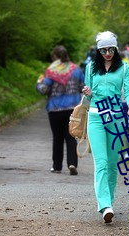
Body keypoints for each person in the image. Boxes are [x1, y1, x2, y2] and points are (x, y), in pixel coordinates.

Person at [82, 31, 129, 223]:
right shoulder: (90, 68)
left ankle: (110, 201)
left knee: (113, 164)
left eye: (111, 49)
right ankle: (104, 205)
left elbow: (128, 90)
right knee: (101, 162)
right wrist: (87, 92)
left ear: (116, 48)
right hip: (96, 117)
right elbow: (88, 97)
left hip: (116, 119)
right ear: (98, 50)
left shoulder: (124, 68)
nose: (107, 53)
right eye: (103, 50)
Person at [36, 45, 85, 175]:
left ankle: (57, 166)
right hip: (72, 109)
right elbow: (83, 87)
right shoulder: (76, 70)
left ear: (55, 57)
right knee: (71, 137)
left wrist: (39, 83)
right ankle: (72, 163)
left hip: (55, 109)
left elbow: (44, 90)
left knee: (57, 138)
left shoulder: (51, 71)